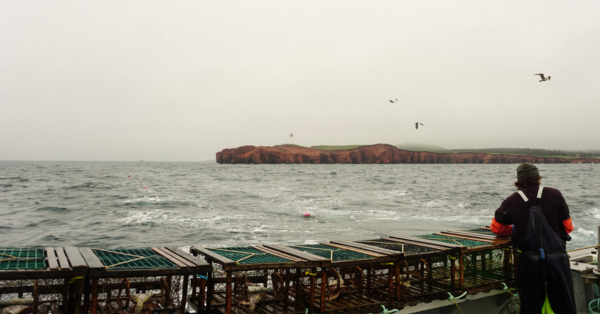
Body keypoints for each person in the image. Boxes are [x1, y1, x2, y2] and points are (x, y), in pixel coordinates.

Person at [491, 162, 575, 314]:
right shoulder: (555, 194)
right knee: (565, 304)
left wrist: (513, 228)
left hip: (530, 262)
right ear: (538, 177)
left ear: (518, 180)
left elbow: (497, 228)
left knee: (531, 306)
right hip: (557, 260)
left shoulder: (511, 201)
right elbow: (568, 227)